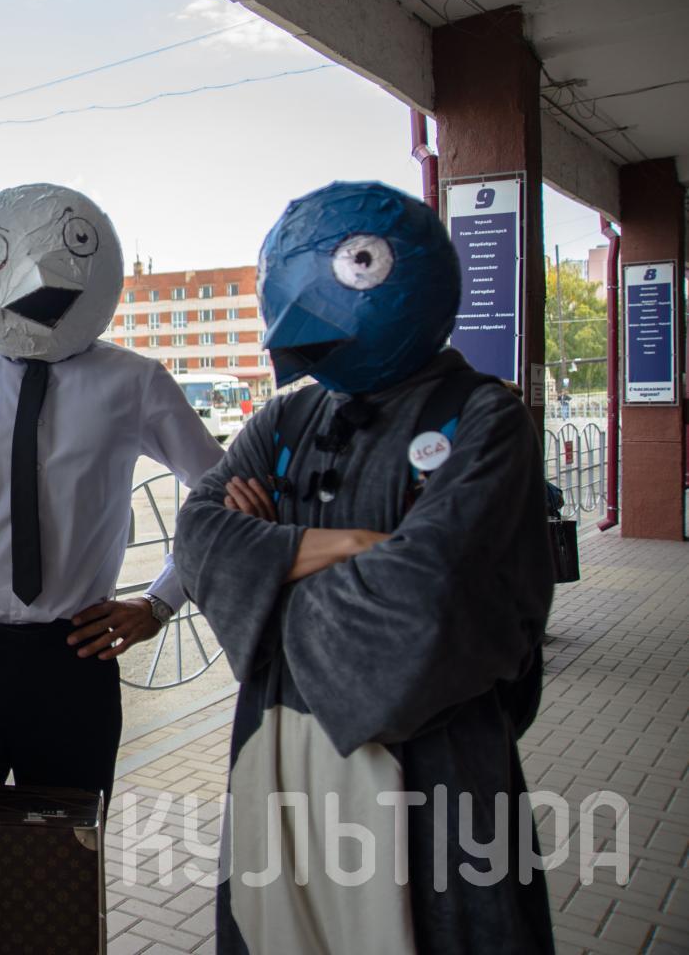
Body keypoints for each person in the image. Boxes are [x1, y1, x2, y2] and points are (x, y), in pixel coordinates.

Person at [175, 183, 554, 954]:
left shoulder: (486, 418)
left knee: (435, 929)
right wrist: (354, 545)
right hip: (278, 754)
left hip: (433, 762)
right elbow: (199, 534)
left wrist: (268, 563)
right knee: (277, 926)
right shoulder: (288, 414)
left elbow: (426, 596)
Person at [0, 183, 224, 801]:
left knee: (68, 854)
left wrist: (161, 601)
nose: (40, 278)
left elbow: (222, 495)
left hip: (74, 664)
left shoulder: (135, 383)